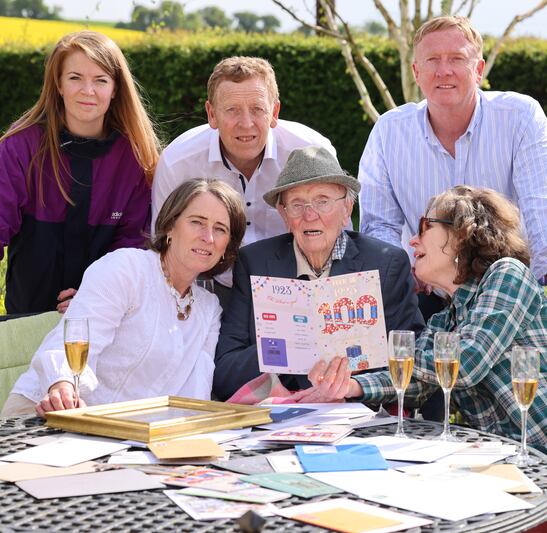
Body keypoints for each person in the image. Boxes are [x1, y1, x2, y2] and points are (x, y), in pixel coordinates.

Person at [293, 186, 547, 532]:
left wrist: (387, 373)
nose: (412, 242)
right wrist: (347, 386)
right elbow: (414, 383)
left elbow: (467, 360)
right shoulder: (446, 319)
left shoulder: (506, 276)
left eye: (423, 228)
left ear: (460, 233)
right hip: (517, 470)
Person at [358, 16, 547, 329]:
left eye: (457, 59)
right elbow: (379, 224)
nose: (443, 70)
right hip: (425, 290)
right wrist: (401, 274)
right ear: (417, 72)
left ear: (479, 69)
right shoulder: (389, 131)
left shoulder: (520, 116)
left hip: (502, 291)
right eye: (432, 59)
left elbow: (540, 204)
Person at [1, 179, 246, 417]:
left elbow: (195, 393)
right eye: (197, 222)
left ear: (227, 246)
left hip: (122, 438)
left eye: (220, 229)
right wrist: (62, 384)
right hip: (47, 411)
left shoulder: (208, 308)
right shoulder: (126, 268)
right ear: (170, 225)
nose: (208, 237)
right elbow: (77, 336)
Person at [213, 145, 424, 402]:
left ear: (347, 209)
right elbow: (224, 373)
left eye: (322, 201)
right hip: (277, 416)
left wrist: (353, 386)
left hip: (358, 417)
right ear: (284, 214)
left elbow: (413, 371)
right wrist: (281, 345)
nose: (310, 215)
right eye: (297, 204)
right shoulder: (255, 263)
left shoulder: (385, 264)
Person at [0, 31, 160, 315]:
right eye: (75, 78)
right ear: (58, 84)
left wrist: (95, 296)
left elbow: (132, 246)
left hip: (103, 314)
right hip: (27, 315)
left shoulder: (135, 159)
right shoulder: (19, 148)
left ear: (115, 89)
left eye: (101, 80)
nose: (88, 91)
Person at [151, 56, 336, 293]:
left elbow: (336, 235)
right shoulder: (178, 161)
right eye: (232, 110)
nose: (246, 123)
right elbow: (163, 244)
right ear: (212, 114)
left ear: (274, 111)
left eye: (258, 109)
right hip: (208, 288)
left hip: (298, 285)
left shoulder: (313, 152)